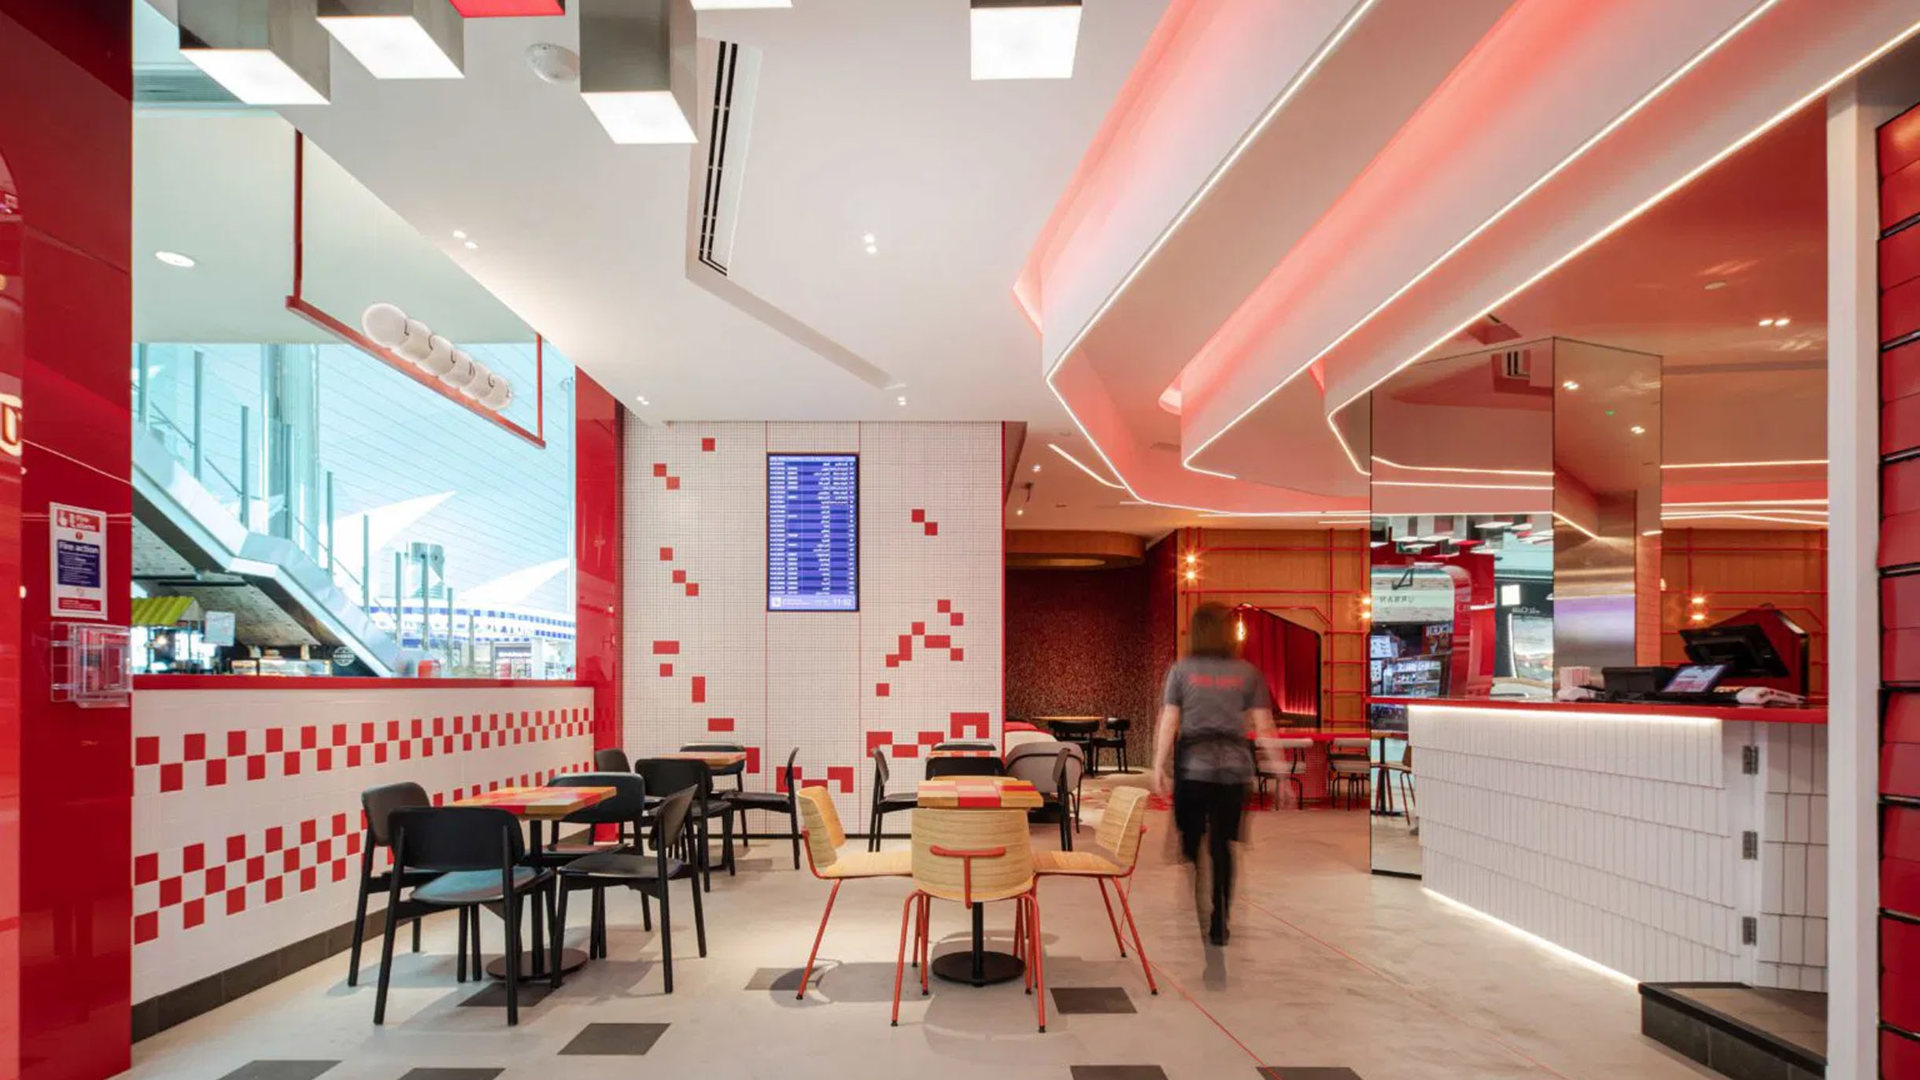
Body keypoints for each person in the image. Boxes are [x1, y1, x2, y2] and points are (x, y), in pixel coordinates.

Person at [1150, 603, 1282, 946]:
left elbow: (1170, 720)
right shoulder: (1248, 673)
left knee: (1192, 841)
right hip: (1234, 771)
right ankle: (1220, 915)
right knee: (1224, 844)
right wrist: (1280, 770)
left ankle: (1199, 876)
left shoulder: (1181, 670)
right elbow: (1264, 725)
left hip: (1194, 768)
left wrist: (1158, 765)